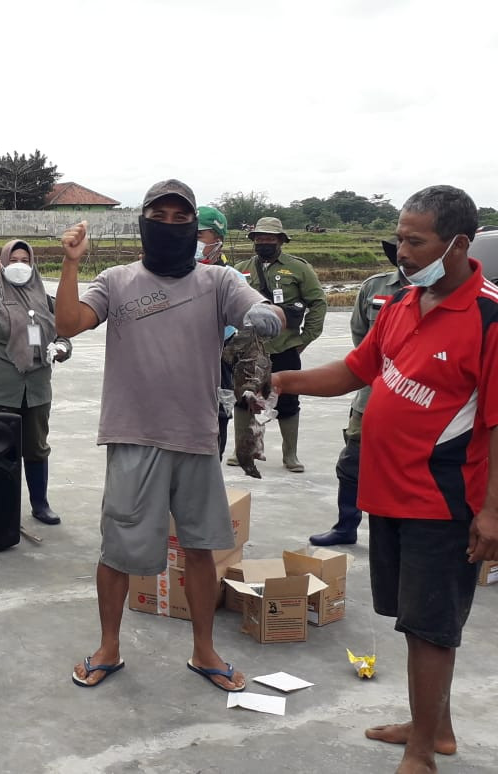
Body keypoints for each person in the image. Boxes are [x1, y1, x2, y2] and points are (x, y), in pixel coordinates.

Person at [274, 185, 498, 774]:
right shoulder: (399, 304)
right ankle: (435, 725)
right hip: (388, 491)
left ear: (458, 244)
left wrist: (493, 513)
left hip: (444, 499)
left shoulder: (490, 316)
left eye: (414, 241)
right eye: (399, 238)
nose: (401, 252)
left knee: (431, 628)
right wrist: (284, 382)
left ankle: (421, 752)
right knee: (412, 617)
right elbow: (356, 369)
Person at [53, 179, 283, 690]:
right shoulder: (115, 280)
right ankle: (108, 647)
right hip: (134, 435)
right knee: (118, 550)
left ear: (195, 226)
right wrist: (71, 263)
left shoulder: (218, 281)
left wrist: (266, 314)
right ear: (144, 222)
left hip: (197, 436)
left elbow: (257, 307)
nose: (173, 226)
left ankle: (204, 651)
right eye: (162, 216)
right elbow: (67, 324)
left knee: (201, 549)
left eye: (183, 219)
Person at [0, 239, 72, 525]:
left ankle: (40, 504)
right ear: (4, 263)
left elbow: (64, 331)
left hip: (35, 387)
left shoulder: (45, 298)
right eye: (14, 260)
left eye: (25, 260)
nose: (20, 265)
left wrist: (61, 349)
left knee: (36, 446)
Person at [310, 240, 408, 546]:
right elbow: (360, 336)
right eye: (401, 247)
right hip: (370, 396)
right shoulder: (374, 287)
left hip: (420, 406)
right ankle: (346, 525)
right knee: (352, 462)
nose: (406, 254)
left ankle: (402, 534)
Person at [231, 217, 326, 472]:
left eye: (270, 238)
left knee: (287, 401)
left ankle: (290, 455)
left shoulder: (298, 269)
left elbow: (317, 302)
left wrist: (306, 337)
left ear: (281, 241)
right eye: (259, 238)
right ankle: (242, 449)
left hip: (285, 348)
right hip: (249, 349)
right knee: (243, 398)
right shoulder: (240, 269)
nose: (264, 242)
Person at [196, 205, 236, 458]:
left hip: (218, 361)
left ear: (218, 240)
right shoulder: (169, 275)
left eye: (199, 235)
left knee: (217, 418)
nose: (192, 240)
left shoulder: (229, 278)